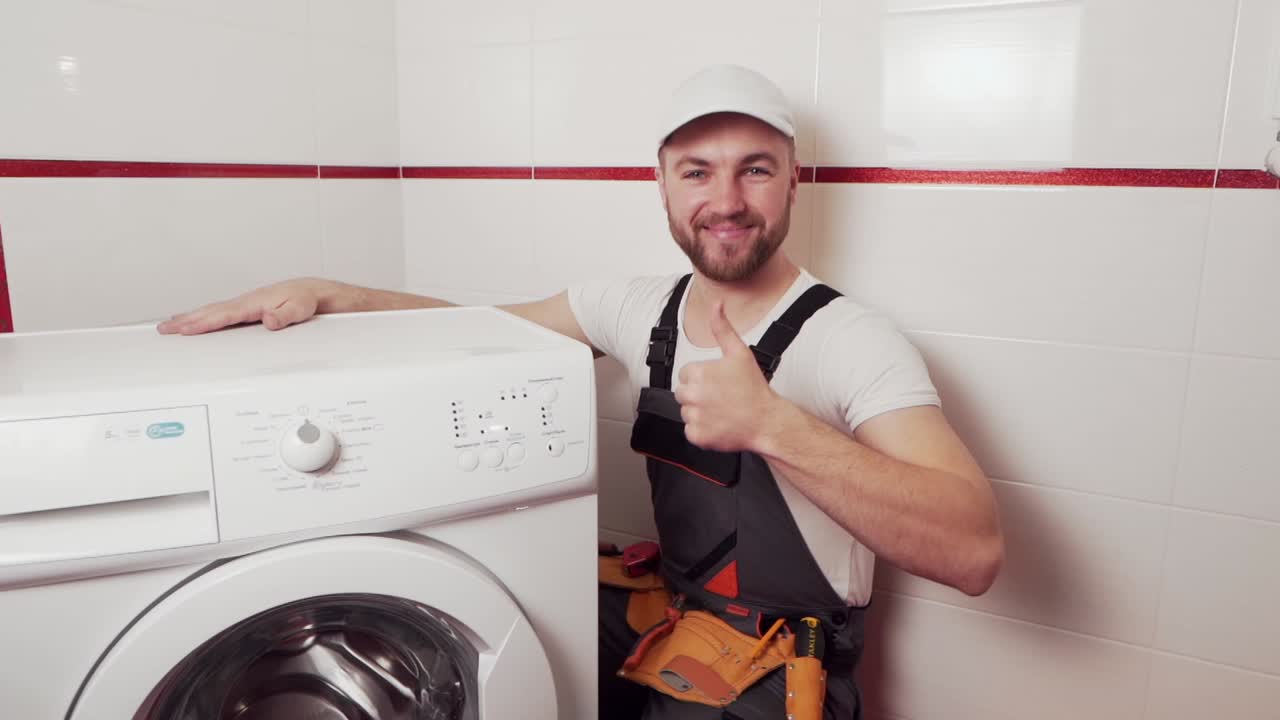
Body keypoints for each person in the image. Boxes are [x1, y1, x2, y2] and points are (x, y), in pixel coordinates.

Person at [159, 64, 1003, 720]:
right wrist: (335, 293)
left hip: (776, 669)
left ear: (792, 184)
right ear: (664, 184)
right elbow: (478, 331)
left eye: (754, 171)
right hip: (677, 620)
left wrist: (774, 425)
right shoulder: (634, 307)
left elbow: (972, 551)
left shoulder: (849, 339)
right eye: (697, 172)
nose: (725, 201)